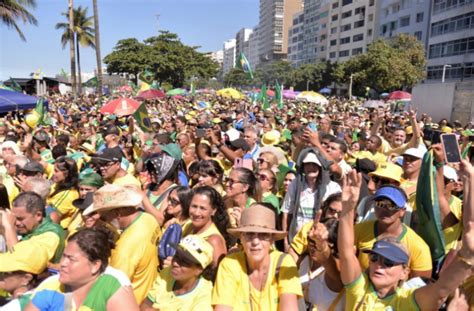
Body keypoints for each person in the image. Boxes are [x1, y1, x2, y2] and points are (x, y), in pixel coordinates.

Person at [338, 166, 474, 310]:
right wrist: (347, 208)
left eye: (389, 262)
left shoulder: (408, 300)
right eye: (374, 258)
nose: (379, 265)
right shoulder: (358, 288)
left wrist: (467, 256)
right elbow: (346, 253)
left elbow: (441, 290)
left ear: (405, 273)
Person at [212, 204, 302, 310]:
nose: (255, 242)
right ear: (241, 237)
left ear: (272, 239)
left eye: (263, 235)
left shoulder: (283, 263)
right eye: (249, 234)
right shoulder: (230, 263)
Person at [83, 184, 161, 304]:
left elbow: (111, 291)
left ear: (117, 213)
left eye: (104, 217)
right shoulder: (149, 219)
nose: (105, 221)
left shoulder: (123, 250)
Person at [26, 228, 138, 311]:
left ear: (95, 265)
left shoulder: (113, 285)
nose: (63, 264)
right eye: (64, 256)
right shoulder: (51, 286)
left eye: (71, 259)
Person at [354, 185, 432, 279]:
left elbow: (419, 286)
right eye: (380, 203)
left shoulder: (419, 246)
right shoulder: (358, 230)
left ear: (402, 211)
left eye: (391, 205)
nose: (384, 209)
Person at [141, 235, 214, 311]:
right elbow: (146, 302)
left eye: (184, 262)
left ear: (199, 270)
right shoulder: (166, 273)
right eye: (176, 256)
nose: (175, 263)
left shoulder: (204, 297)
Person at [0, 192, 65, 265]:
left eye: (20, 219)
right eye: (14, 218)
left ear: (38, 215)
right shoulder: (31, 230)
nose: (17, 223)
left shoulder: (51, 235)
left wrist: (9, 228)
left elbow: (20, 261)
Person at [181, 186, 231, 267]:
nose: (196, 213)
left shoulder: (214, 240)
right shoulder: (188, 225)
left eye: (202, 208)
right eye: (194, 206)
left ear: (213, 211)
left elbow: (218, 274)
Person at [0, 242, 48, 310]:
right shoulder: (40, 295)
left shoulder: (17, 306)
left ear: (26, 278)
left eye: (6, 272)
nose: (1, 274)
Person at [47, 156, 80, 229]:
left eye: (56, 171)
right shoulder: (58, 184)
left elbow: (50, 217)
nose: (53, 173)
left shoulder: (68, 195)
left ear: (67, 173)